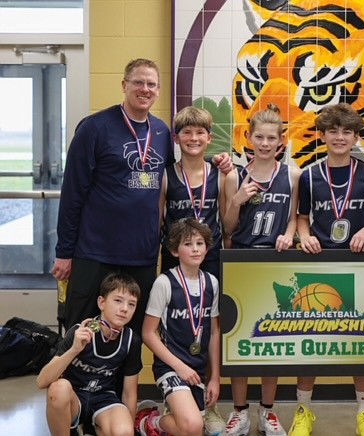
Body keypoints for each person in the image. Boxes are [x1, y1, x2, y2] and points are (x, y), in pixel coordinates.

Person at [52, 58, 231, 334]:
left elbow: (182, 169)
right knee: (84, 328)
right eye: (138, 82)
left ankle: (124, 380)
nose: (144, 89)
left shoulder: (160, 132)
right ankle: (71, 380)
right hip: (96, 251)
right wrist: (64, 252)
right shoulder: (94, 128)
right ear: (124, 85)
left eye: (151, 84)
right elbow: (72, 193)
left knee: (131, 335)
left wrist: (218, 161)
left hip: (142, 256)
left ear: (158, 90)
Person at [292, 103, 364, 436]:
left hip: (357, 264)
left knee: (359, 342)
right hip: (318, 263)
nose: (340, 137)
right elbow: (302, 219)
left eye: (347, 131)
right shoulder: (309, 174)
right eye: (333, 131)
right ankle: (303, 411)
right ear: (323, 135)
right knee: (312, 342)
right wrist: (304, 237)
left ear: (356, 137)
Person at [221, 103, 299, 436]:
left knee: (271, 343)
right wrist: (237, 200)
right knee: (240, 342)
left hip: (276, 265)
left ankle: (267, 411)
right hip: (240, 263)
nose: (265, 143)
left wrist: (289, 235)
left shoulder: (293, 174)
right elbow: (226, 228)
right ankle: (240, 412)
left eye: (271, 138)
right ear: (248, 138)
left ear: (281, 141)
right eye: (259, 137)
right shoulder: (233, 175)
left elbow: (295, 218)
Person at [159, 106, 227, 435]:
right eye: (186, 132)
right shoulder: (166, 175)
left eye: (200, 132)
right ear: (177, 138)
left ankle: (207, 404)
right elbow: (158, 218)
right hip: (176, 256)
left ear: (209, 138)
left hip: (210, 257)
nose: (194, 137)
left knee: (208, 325)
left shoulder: (222, 172)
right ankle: (176, 394)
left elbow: (227, 222)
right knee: (175, 324)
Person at [136, 218, 221, 436]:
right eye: (188, 244)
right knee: (192, 426)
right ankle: (150, 423)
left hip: (198, 369)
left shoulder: (212, 282)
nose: (195, 249)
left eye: (200, 243)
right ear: (174, 251)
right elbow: (147, 333)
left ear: (207, 247)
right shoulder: (164, 283)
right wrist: (179, 366)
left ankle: (170, 414)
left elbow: (214, 332)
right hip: (170, 367)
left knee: (195, 429)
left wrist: (215, 378)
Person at [36, 273, 143, 436]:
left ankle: (92, 428)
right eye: (118, 300)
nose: (124, 309)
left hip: (104, 398)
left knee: (123, 431)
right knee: (58, 389)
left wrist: (130, 429)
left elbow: (129, 394)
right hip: (74, 396)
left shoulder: (131, 340)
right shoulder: (80, 331)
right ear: (101, 302)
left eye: (132, 304)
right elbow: (42, 381)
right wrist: (74, 350)